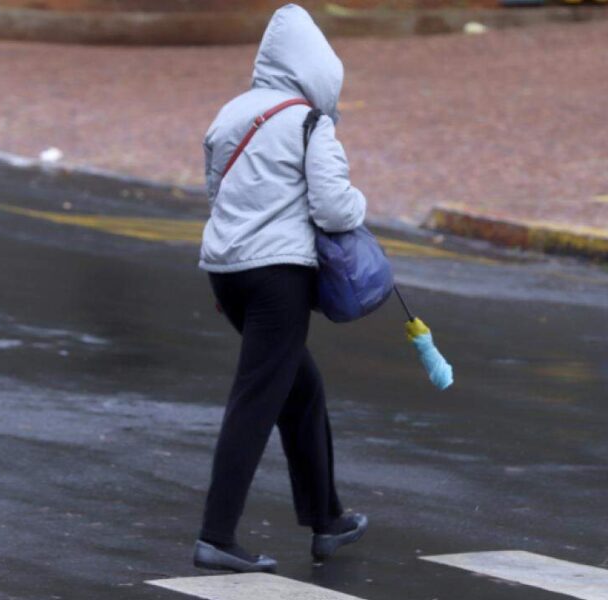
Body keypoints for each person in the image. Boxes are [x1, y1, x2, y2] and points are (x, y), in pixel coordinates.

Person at [193, 3, 369, 574]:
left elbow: (216, 192)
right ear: (319, 69)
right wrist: (364, 205)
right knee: (257, 399)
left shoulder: (231, 113)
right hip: (278, 277)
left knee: (302, 388)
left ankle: (328, 519)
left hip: (228, 271)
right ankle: (216, 536)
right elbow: (335, 208)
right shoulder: (309, 122)